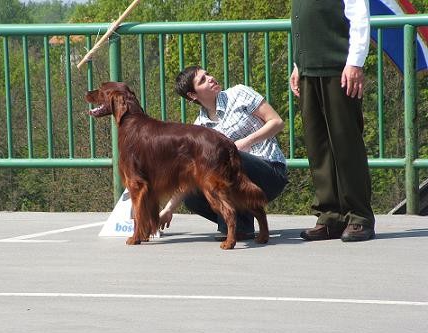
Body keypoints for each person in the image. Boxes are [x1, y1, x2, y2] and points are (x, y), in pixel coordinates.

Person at [159, 66, 288, 240]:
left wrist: (245, 142)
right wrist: (168, 209)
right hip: (236, 178)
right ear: (192, 95)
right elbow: (190, 173)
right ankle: (240, 226)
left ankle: (239, 225)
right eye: (202, 80)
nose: (210, 78)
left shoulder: (240, 93)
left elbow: (277, 122)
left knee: (226, 159)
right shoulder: (200, 129)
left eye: (208, 74)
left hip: (269, 172)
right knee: (193, 196)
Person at [289, 0, 375, 242]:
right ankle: (330, 216)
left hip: (338, 68)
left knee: (346, 143)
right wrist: (298, 65)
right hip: (309, 69)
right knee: (318, 147)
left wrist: (355, 62)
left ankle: (359, 216)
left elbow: (359, 16)